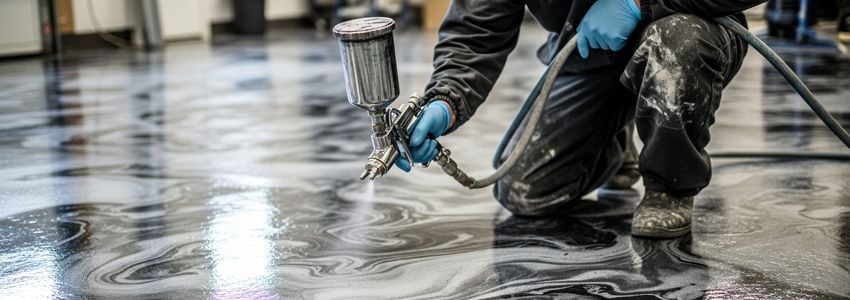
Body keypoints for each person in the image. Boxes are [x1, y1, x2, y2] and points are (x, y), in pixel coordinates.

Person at [395, 0, 765, 238]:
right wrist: (445, 100)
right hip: (592, 49)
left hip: (684, 25)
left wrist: (641, 3)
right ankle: (616, 145)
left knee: (676, 42)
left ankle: (670, 187)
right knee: (527, 194)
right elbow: (477, 27)